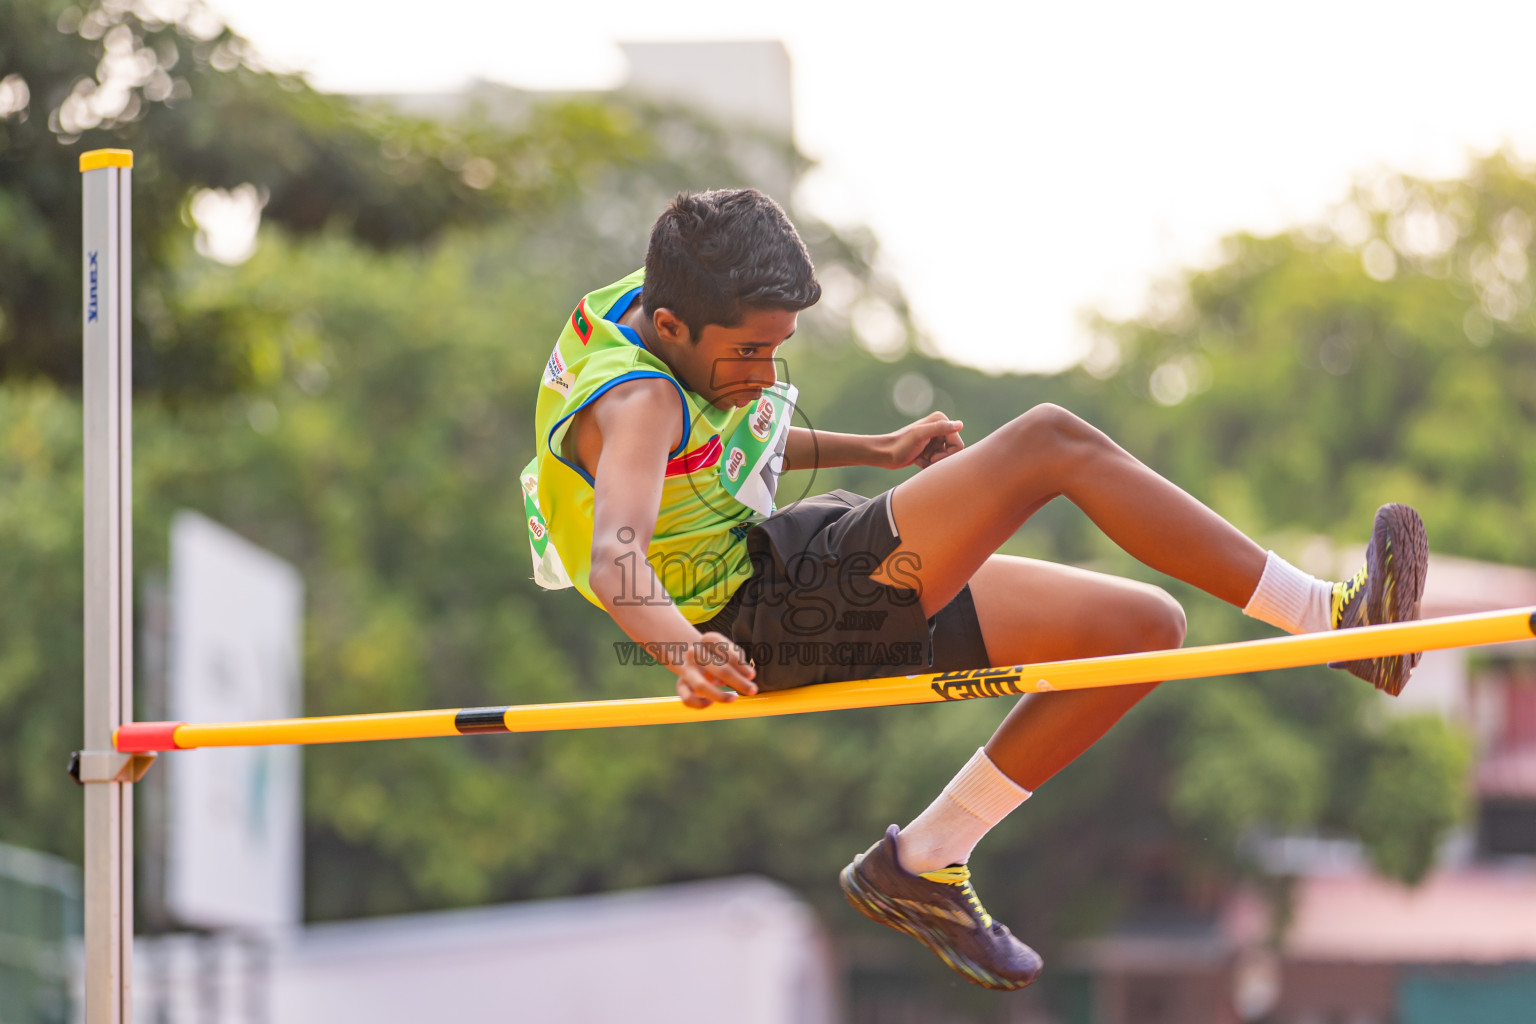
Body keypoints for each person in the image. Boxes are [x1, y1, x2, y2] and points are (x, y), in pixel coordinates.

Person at [522, 188, 1428, 991]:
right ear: (675, 328)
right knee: (1050, 443)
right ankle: (1333, 622)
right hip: (771, 620)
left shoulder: (643, 307)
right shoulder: (636, 402)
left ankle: (925, 859)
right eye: (751, 352)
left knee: (1140, 628)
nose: (765, 374)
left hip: (793, 566)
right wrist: (684, 649)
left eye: (777, 350)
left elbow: (717, 442)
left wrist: (871, 451)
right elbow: (615, 559)